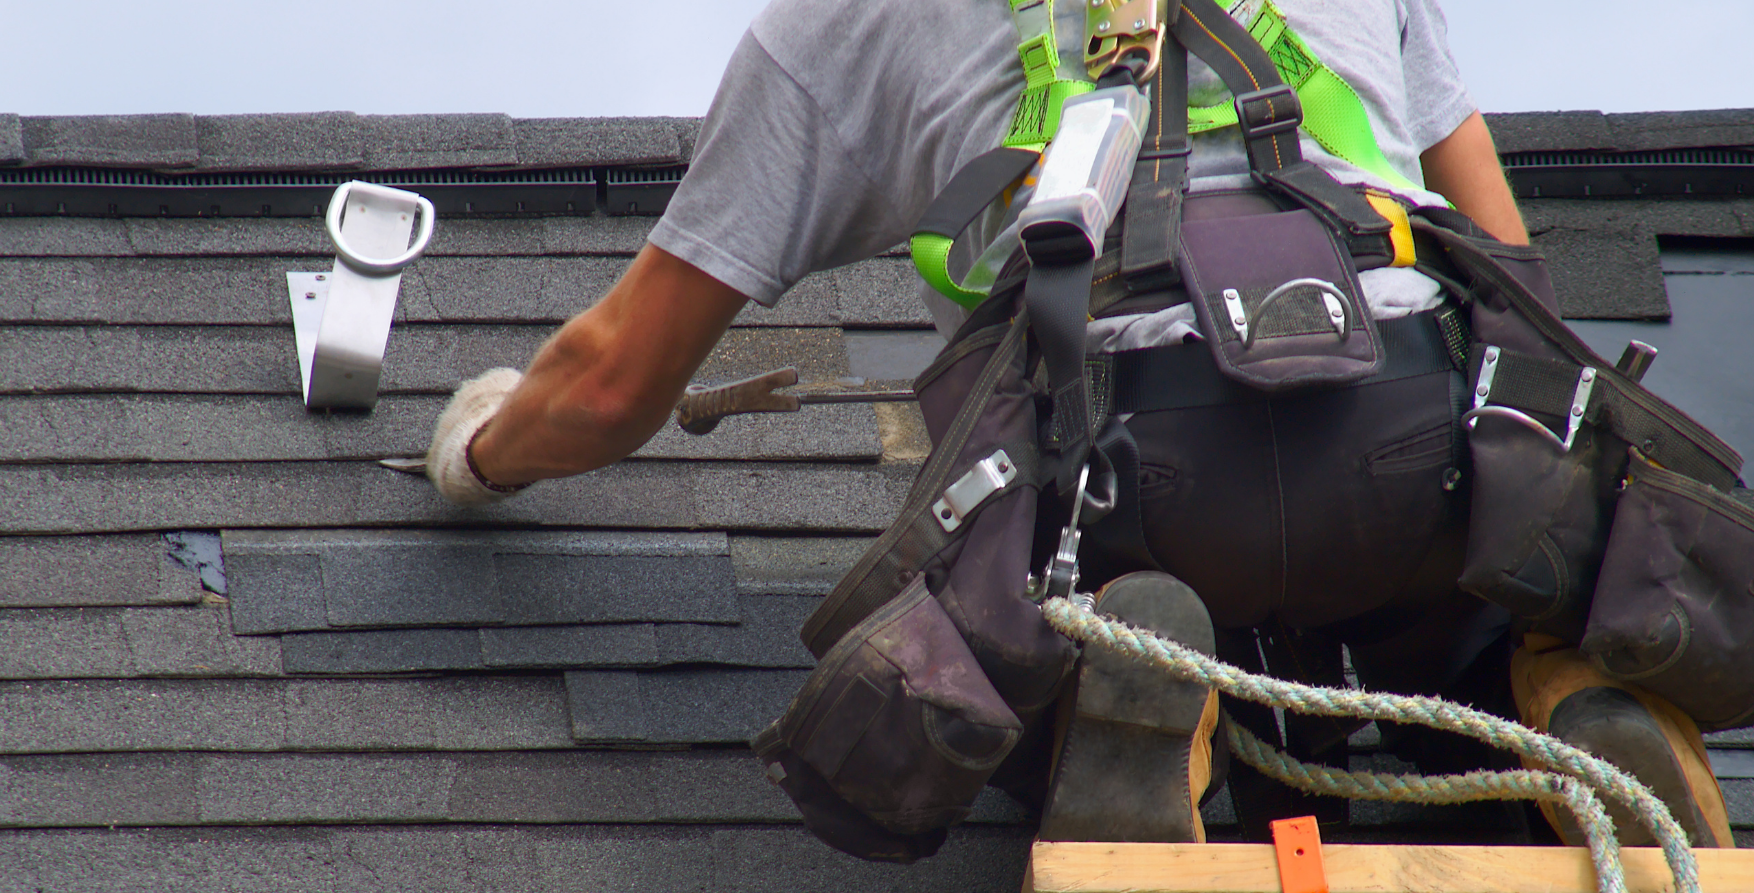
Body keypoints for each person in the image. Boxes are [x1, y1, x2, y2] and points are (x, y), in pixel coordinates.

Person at [423, 0, 1733, 850]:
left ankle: (1132, 707)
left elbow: (608, 385)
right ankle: (1554, 684)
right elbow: (1509, 275)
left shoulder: (833, 29)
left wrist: (478, 449)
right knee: (1486, 562)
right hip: (1420, 452)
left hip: (1131, 484)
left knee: (1026, 623)